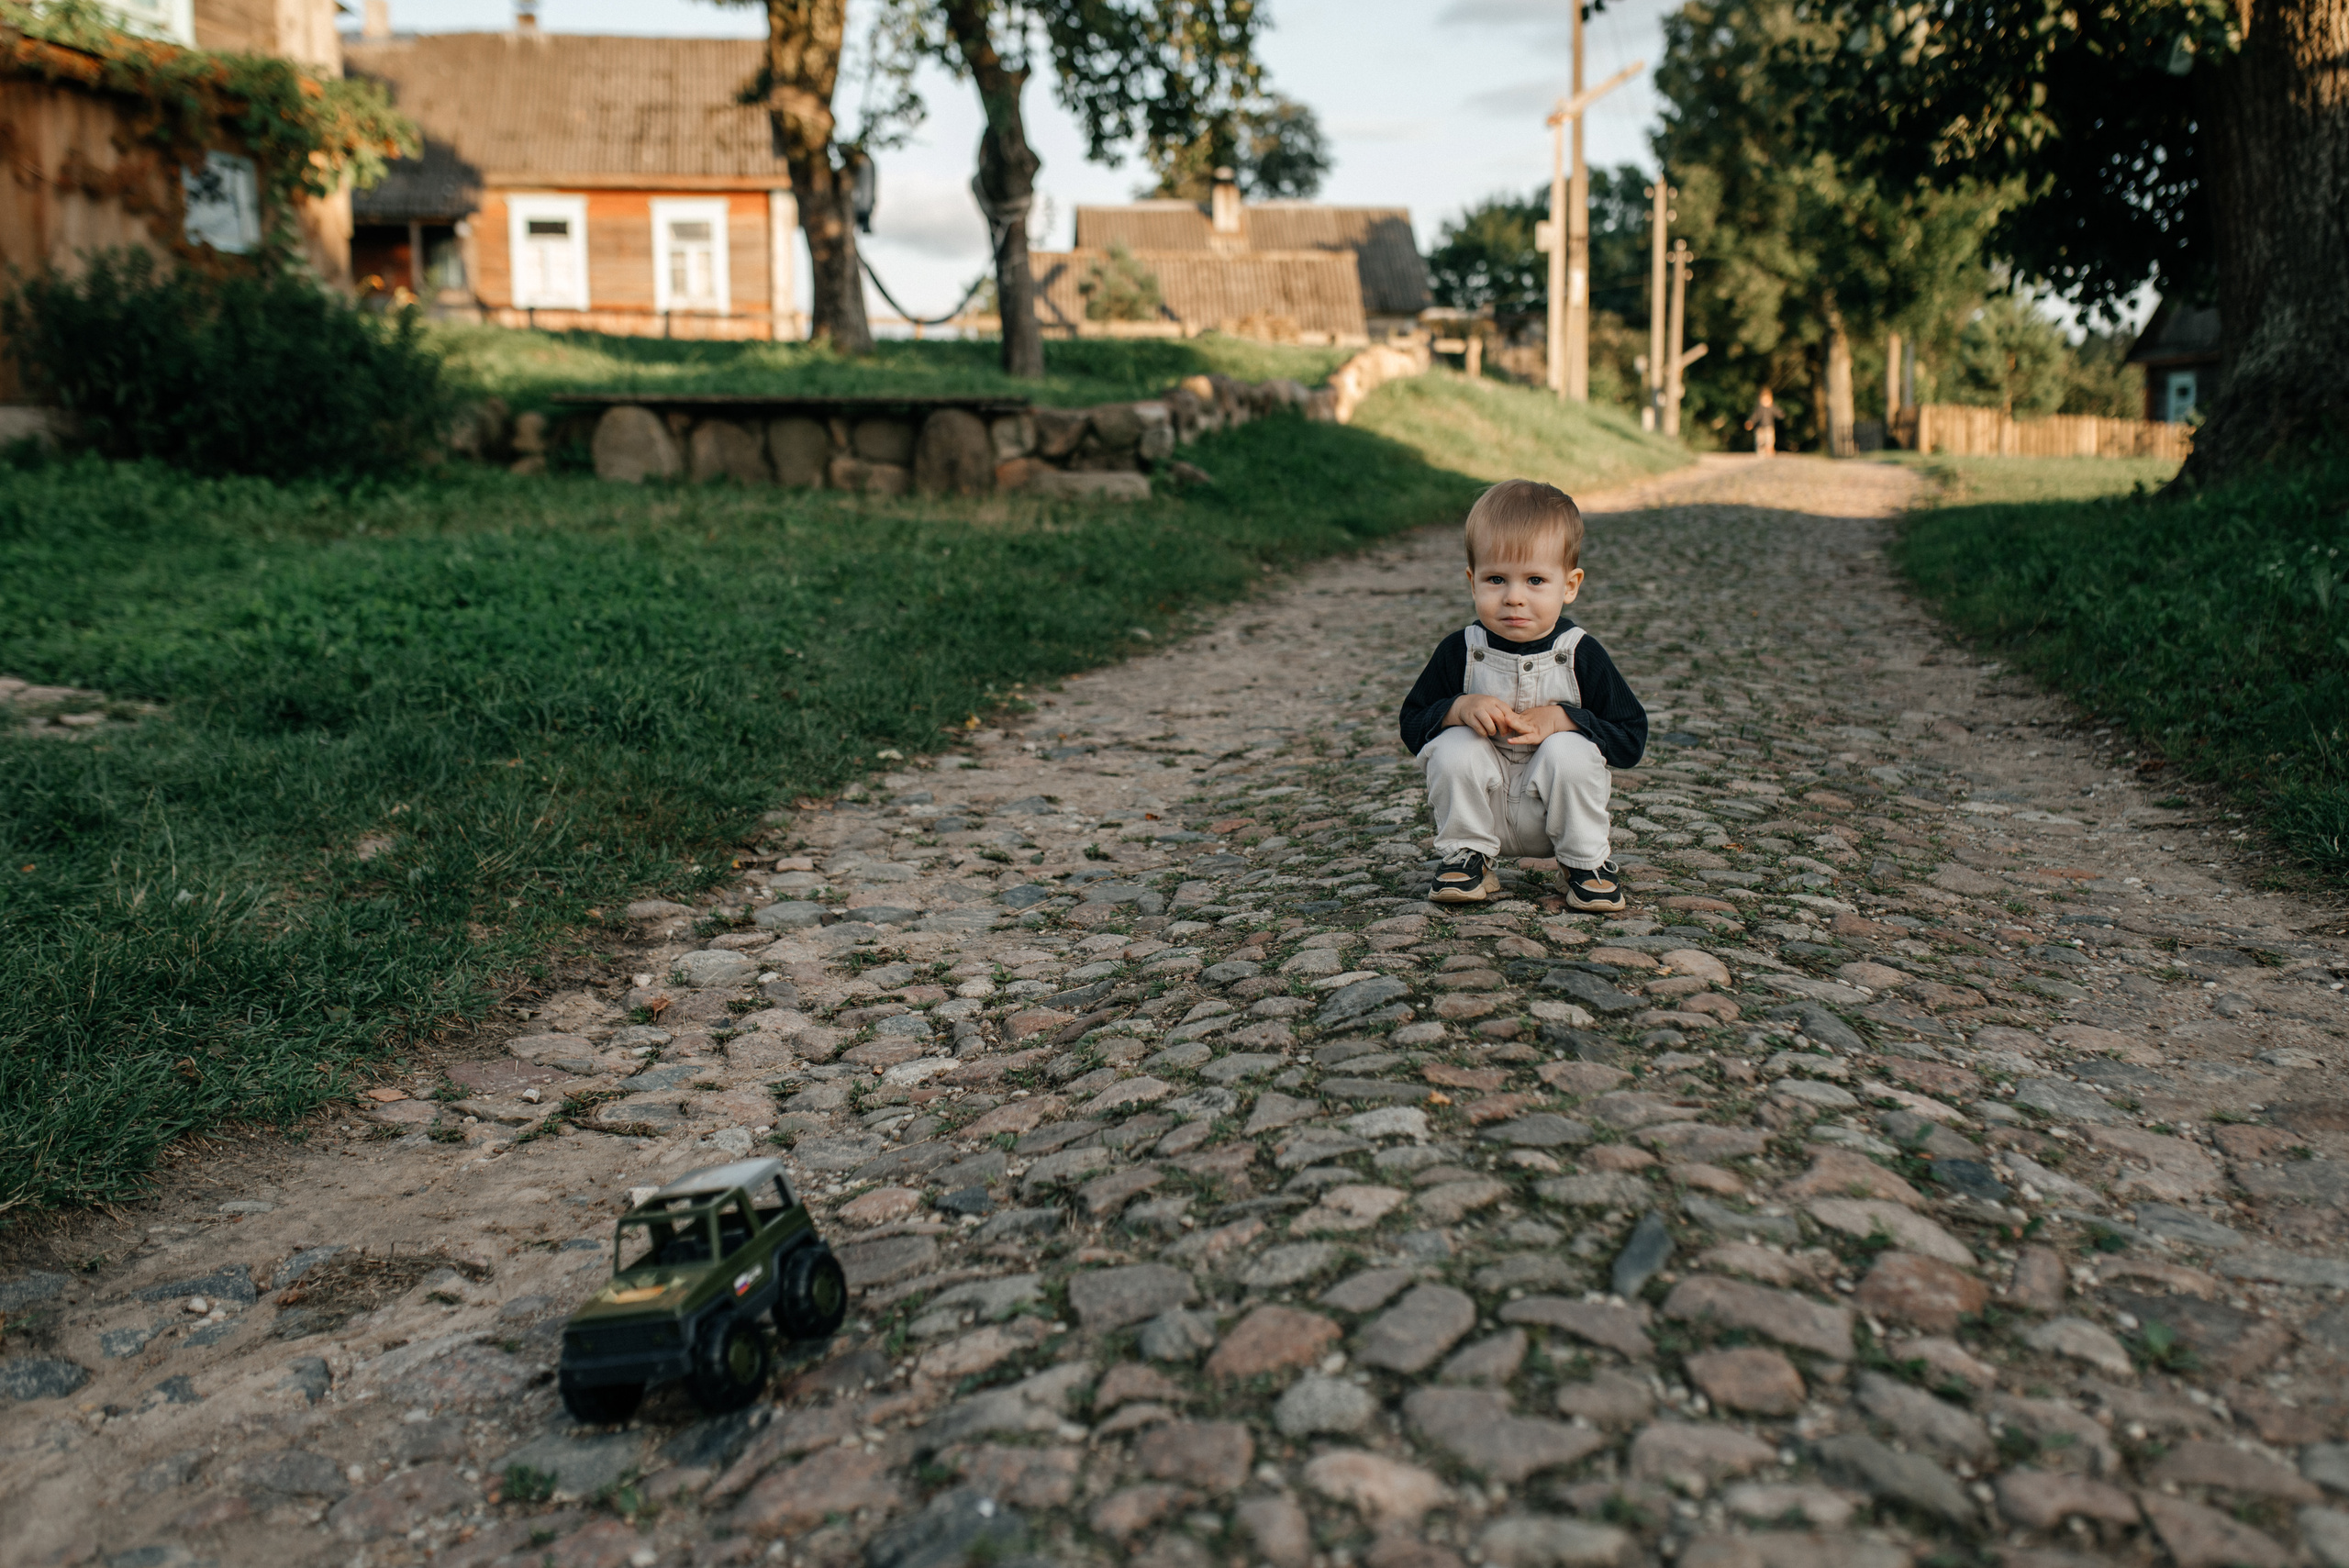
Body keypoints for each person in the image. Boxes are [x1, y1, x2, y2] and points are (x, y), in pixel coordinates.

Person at [1397, 479, 1648, 910]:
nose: (1514, 598)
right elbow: (1413, 723)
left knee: (1571, 749)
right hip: (1483, 806)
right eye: (1497, 579)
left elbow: (1631, 738)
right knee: (1455, 744)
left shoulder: (1579, 654)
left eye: (1535, 580)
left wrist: (1568, 719)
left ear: (1569, 586)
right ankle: (1466, 858)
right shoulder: (1460, 651)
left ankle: (1585, 864)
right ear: (1473, 581)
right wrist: (1458, 708)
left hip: (1551, 811)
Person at [1744, 388, 1777, 456]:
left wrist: (1782, 414)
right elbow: (1755, 416)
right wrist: (1751, 422)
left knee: (1770, 439)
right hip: (1760, 427)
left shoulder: (1772, 407)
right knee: (1760, 440)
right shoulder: (1759, 408)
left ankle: (1769, 449)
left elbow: (1778, 412)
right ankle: (1761, 451)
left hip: (1769, 426)